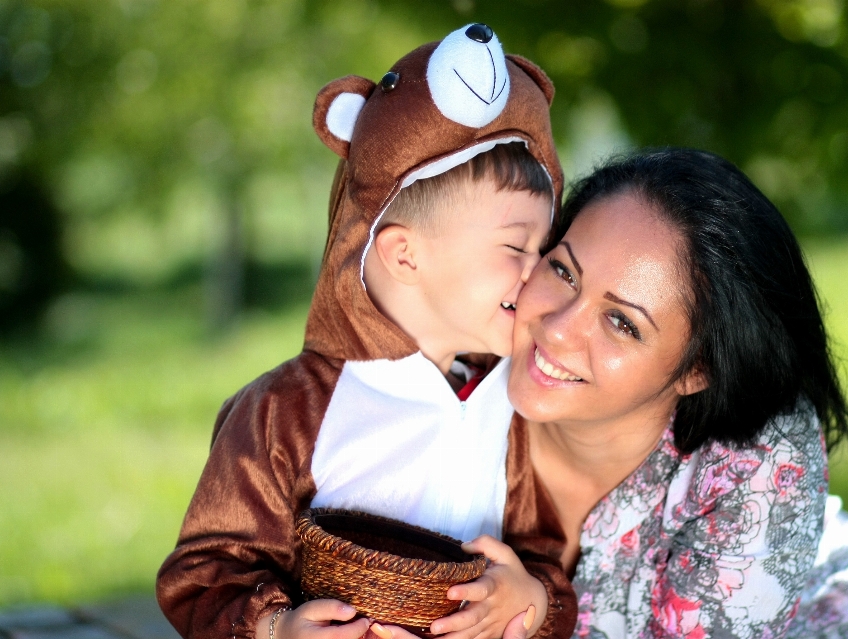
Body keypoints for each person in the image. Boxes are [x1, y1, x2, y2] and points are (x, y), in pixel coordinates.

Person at [156, 25, 577, 639]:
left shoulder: (513, 405)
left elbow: (544, 557)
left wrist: (530, 598)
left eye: (546, 247)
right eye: (516, 245)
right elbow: (203, 573)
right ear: (405, 256)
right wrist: (276, 628)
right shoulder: (287, 410)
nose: (537, 271)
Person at [503, 149, 848, 637]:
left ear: (697, 370)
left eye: (622, 322)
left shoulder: (760, 464)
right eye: (564, 272)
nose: (556, 329)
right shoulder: (458, 363)